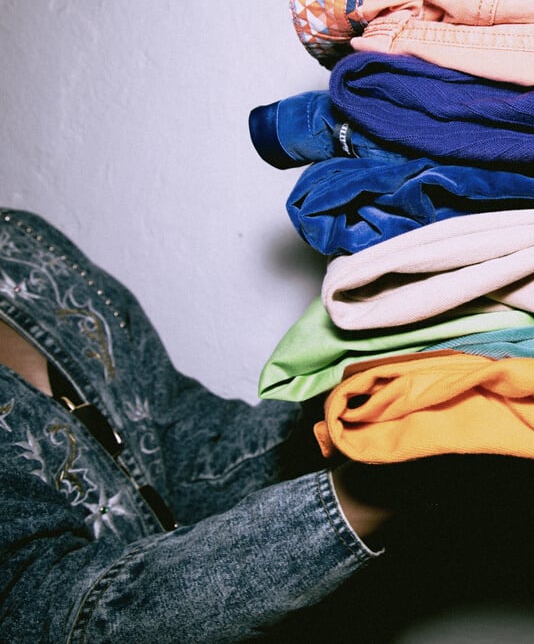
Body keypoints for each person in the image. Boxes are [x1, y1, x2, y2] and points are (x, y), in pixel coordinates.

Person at [0, 207, 401, 642]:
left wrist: (360, 409)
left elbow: (185, 444)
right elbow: (40, 616)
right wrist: (360, 494)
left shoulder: (22, 241)